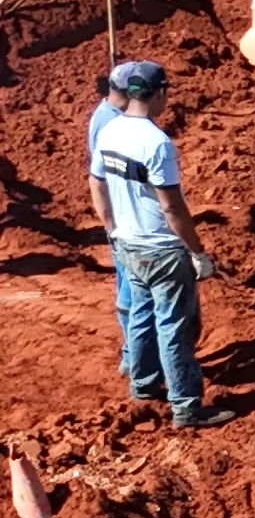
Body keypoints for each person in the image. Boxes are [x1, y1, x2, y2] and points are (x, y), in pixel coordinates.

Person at [89, 62, 232, 431]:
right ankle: (186, 406)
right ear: (158, 93)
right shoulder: (156, 143)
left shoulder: (110, 128)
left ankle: (143, 384)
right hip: (162, 250)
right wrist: (197, 252)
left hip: (128, 243)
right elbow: (171, 206)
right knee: (174, 325)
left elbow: (97, 183)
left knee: (139, 314)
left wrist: (112, 228)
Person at [84, 64, 131, 382]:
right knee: (131, 289)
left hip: (117, 215)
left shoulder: (104, 115)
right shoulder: (114, 125)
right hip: (124, 218)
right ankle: (133, 357)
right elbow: (102, 177)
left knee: (126, 284)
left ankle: (133, 355)